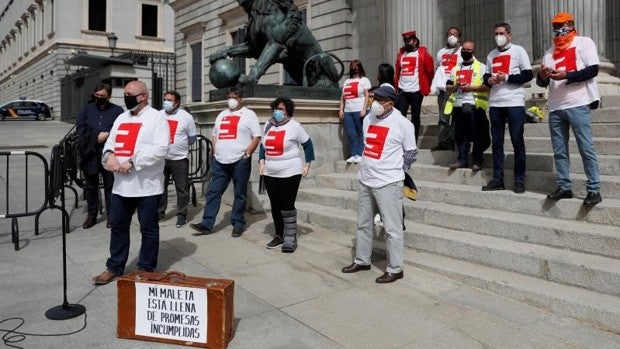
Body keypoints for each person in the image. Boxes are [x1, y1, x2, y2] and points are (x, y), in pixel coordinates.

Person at [92, 80, 170, 285]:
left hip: (146, 185)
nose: (126, 97)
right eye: (125, 93)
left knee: (148, 229)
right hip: (121, 185)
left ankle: (145, 268)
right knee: (118, 226)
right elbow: (111, 143)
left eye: (130, 94)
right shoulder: (120, 118)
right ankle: (114, 266)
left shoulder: (157, 118)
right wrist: (108, 156)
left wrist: (134, 162)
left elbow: (161, 149)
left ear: (143, 96)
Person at [341, 85, 417, 284]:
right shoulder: (368, 119)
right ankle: (362, 260)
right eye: (374, 98)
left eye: (379, 99)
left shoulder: (402, 124)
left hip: (388, 182)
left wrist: (397, 170)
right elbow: (367, 146)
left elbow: (411, 153)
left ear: (389, 103)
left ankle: (395, 268)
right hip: (366, 179)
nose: (374, 102)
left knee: (392, 228)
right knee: (363, 224)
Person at [537, 12, 602, 207]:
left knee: (586, 147)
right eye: (555, 26)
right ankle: (564, 186)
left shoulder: (584, 42)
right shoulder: (550, 51)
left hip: (578, 102)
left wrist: (567, 75)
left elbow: (593, 70)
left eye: (561, 25)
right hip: (556, 106)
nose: (558, 29)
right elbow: (542, 82)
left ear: (571, 24)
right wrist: (542, 75)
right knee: (559, 150)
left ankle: (594, 189)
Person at [190, 87, 261, 237]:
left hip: (239, 161)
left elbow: (256, 136)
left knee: (240, 194)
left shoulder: (249, 115)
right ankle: (207, 224)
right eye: (229, 97)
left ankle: (238, 223)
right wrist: (215, 152)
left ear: (241, 99)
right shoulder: (222, 114)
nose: (231, 100)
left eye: (234, 97)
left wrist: (247, 153)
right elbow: (215, 134)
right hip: (220, 161)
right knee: (213, 192)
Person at [482, 23, 533, 193]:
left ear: (509, 35)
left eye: (502, 33)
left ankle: (519, 180)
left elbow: (528, 75)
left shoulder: (519, 51)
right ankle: (498, 179)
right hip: (496, 103)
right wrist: (488, 80)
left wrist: (507, 77)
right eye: (496, 33)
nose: (499, 36)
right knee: (497, 144)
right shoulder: (491, 55)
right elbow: (486, 75)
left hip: (514, 103)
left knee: (517, 142)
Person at [260, 97, 315, 252]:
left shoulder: (295, 126)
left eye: (282, 109)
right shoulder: (268, 125)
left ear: (288, 110)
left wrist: (307, 164)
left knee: (287, 204)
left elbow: (307, 144)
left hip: (290, 171)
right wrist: (261, 162)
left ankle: (290, 236)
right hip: (270, 171)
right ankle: (279, 235)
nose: (278, 111)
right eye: (276, 108)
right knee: (275, 204)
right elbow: (263, 145)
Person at [76, 84, 124, 229]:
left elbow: (120, 129)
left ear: (109, 96)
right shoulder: (87, 108)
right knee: (91, 187)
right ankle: (92, 215)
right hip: (90, 154)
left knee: (110, 186)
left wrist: (108, 134)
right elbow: (80, 128)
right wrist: (95, 136)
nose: (98, 99)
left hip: (109, 153)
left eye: (102, 97)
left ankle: (111, 216)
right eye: (96, 96)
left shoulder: (117, 111)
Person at [444, 41, 491, 171]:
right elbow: (447, 87)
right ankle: (462, 159)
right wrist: (456, 86)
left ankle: (477, 160)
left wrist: (471, 87)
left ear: (473, 51)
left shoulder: (481, 67)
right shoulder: (455, 68)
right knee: (460, 134)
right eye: (463, 49)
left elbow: (487, 86)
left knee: (477, 134)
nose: (465, 51)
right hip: (458, 105)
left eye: (468, 49)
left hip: (474, 105)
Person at [158, 90, 197, 227]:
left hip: (179, 159)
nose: (166, 102)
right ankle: (160, 212)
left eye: (169, 100)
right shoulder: (158, 115)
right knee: (160, 187)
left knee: (181, 189)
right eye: (165, 99)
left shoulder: (186, 117)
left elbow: (192, 138)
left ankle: (181, 214)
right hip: (161, 158)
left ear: (177, 103)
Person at [394, 30, 435, 143]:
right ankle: (401, 139)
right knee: (400, 116)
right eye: (405, 40)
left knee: (415, 117)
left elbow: (430, 71)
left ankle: (413, 140)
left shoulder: (422, 54)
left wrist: (427, 86)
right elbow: (398, 71)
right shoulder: (401, 54)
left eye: (409, 40)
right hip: (402, 90)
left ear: (415, 41)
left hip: (416, 90)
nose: (407, 42)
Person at [432, 27, 462, 151]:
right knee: (443, 117)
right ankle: (443, 142)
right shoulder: (440, 52)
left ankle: (453, 140)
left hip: (457, 89)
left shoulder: (462, 50)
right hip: (444, 89)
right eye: (450, 34)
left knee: (455, 116)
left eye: (455, 34)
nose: (452, 36)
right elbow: (437, 69)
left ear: (459, 37)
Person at [339, 59, 371, 163]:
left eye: (356, 66)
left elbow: (367, 95)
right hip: (348, 111)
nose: (355, 68)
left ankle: (360, 153)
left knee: (360, 132)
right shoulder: (347, 81)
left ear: (360, 67)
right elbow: (343, 97)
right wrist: (341, 109)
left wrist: (364, 109)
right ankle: (353, 154)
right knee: (351, 133)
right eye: (353, 66)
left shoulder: (364, 80)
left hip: (359, 109)